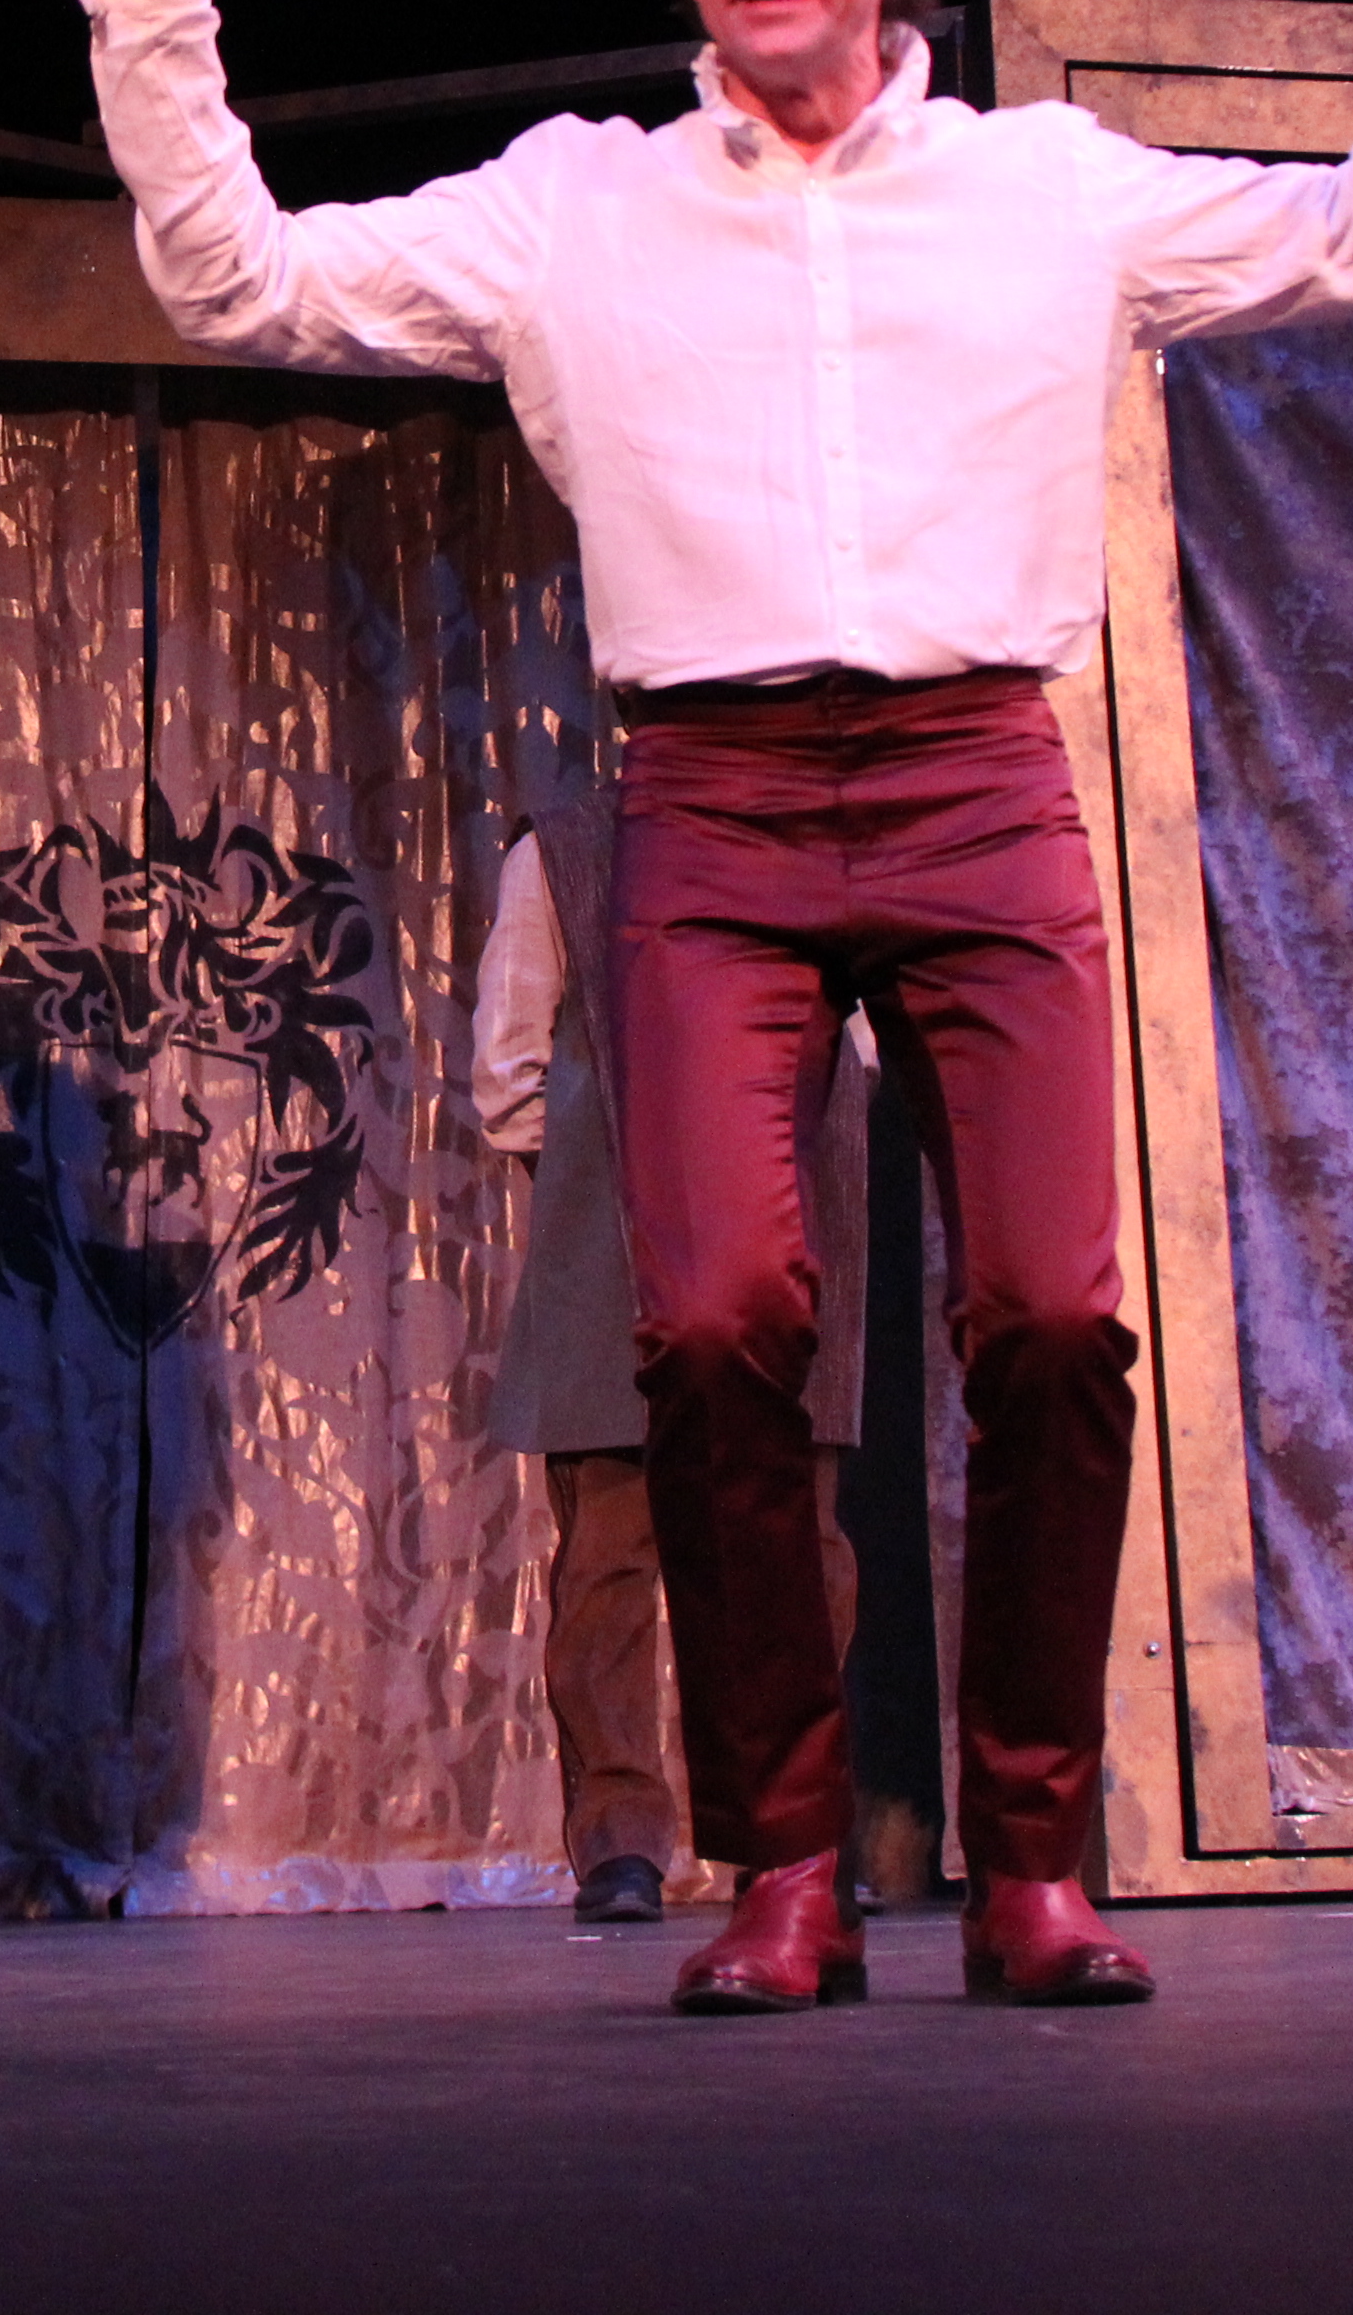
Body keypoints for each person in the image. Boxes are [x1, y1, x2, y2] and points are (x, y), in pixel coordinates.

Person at [63, 0, 1353, 2010]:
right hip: (711, 797)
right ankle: (776, 1857)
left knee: (1055, 1309)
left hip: (975, 777)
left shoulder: (1049, 189)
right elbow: (235, 282)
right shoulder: (570, 203)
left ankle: (1031, 1861)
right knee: (707, 1321)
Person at [474, 808, 872, 1928]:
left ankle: (788, 1837)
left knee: (801, 1551)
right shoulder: (566, 849)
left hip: (793, 1217)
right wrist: (591, 1185)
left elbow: (868, 1038)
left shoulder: (819, 832)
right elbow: (509, 1065)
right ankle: (620, 1843)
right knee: (609, 1547)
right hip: (615, 1215)